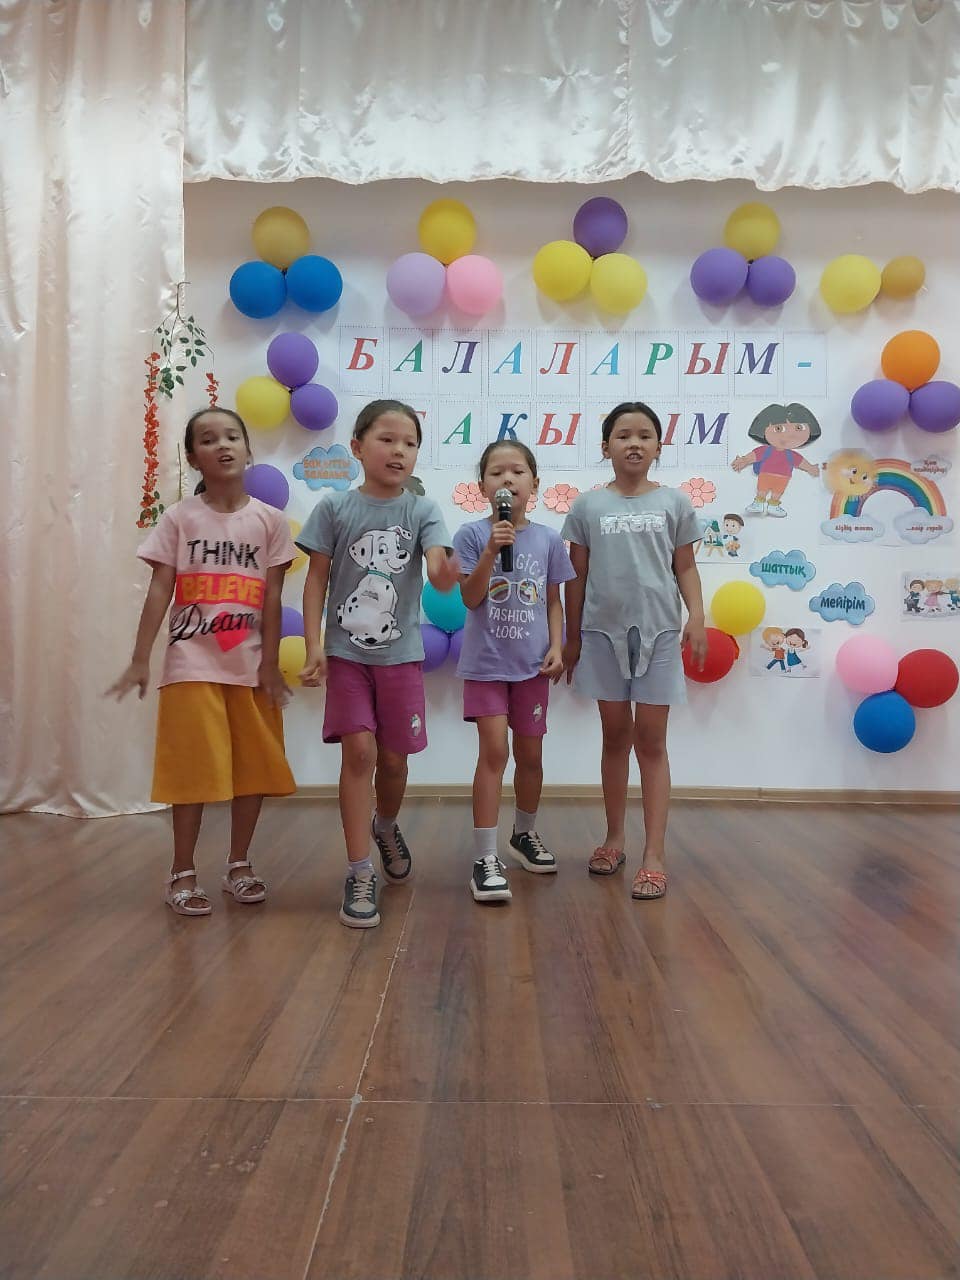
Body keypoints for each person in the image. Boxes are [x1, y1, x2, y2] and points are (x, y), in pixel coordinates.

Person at [107, 408, 296, 915]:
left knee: (254, 770)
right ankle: (182, 872)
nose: (223, 445)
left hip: (249, 666)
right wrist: (140, 659)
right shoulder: (180, 518)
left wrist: (270, 663)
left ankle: (239, 865)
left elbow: (272, 599)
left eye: (232, 436)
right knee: (190, 770)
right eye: (209, 440)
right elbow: (160, 590)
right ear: (194, 457)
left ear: (248, 450)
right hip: (190, 664)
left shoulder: (270, 521)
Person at [298, 400, 460, 929]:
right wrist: (314, 644)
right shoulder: (334, 508)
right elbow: (316, 580)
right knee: (360, 753)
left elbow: (437, 570)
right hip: (347, 655)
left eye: (409, 443)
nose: (398, 451)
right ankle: (359, 870)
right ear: (357, 447)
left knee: (393, 761)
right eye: (387, 439)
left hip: (400, 656)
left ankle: (385, 825)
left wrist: (448, 570)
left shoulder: (423, 511)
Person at [561, 402, 706, 900]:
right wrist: (573, 637)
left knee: (652, 742)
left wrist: (697, 616)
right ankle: (614, 839)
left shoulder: (674, 503)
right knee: (614, 738)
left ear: (658, 446)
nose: (634, 443)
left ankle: (655, 855)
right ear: (606, 447)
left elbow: (685, 567)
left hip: (660, 634)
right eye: (623, 435)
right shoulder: (587, 507)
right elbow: (576, 576)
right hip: (602, 635)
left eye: (645, 435)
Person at [453, 441, 575, 903]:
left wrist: (557, 647)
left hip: (532, 667)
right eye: (497, 472)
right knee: (493, 752)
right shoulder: (470, 534)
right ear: (483, 485)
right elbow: (470, 598)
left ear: (534, 483)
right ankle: (484, 857)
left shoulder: (548, 539)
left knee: (530, 755)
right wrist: (491, 550)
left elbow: (553, 602)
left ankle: (524, 833)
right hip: (486, 665)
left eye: (518, 471)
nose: (508, 479)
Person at [730, 402, 821, 517]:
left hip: (783, 477)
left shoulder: (792, 455)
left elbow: (801, 462)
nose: (789, 435)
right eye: (778, 428)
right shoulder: (766, 450)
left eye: (798, 428)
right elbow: (753, 456)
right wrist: (743, 461)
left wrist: (810, 468)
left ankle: (773, 506)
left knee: (778, 492)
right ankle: (758, 503)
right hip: (766, 474)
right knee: (762, 490)